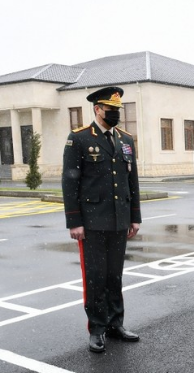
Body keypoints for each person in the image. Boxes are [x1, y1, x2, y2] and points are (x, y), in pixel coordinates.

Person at [62, 86, 141, 353]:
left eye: (118, 110)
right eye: (111, 110)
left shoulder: (126, 139)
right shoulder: (79, 139)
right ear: (98, 109)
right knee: (95, 277)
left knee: (114, 275)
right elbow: (69, 182)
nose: (116, 114)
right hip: (92, 222)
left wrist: (135, 217)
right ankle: (96, 328)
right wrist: (75, 221)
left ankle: (115, 323)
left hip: (119, 220)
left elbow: (132, 180)